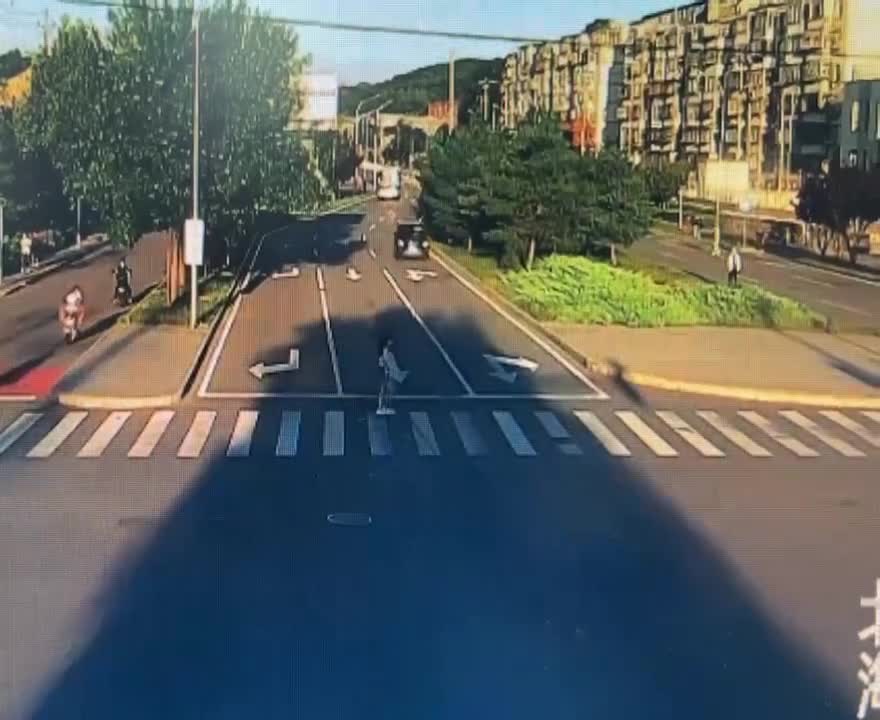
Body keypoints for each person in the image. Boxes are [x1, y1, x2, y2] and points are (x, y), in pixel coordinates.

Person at [377, 337, 408, 416]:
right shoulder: (386, 354)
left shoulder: (388, 354)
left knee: (386, 391)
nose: (392, 344)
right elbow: (385, 364)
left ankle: (383, 407)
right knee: (388, 391)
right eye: (390, 342)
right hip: (388, 375)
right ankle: (384, 407)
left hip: (389, 374)